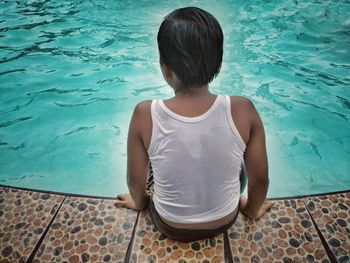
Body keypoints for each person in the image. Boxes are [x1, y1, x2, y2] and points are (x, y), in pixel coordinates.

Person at [114, 6, 273, 242]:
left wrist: (139, 202)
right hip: (226, 218)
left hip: (168, 223)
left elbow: (134, 180)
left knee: (150, 170)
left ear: (165, 68)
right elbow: (260, 180)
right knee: (239, 159)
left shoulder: (145, 113)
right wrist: (251, 210)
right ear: (218, 64)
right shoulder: (243, 110)